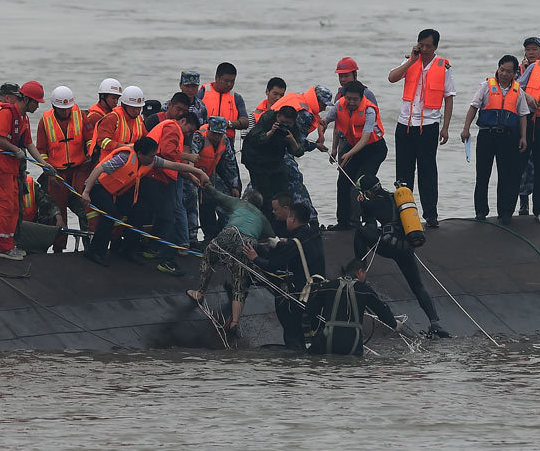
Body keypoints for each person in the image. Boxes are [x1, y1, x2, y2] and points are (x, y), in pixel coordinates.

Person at [82, 137, 208, 266]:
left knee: (140, 210)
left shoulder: (149, 160)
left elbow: (174, 165)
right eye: (151, 156)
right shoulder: (124, 157)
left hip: (116, 191)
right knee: (109, 213)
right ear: (140, 154)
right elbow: (98, 170)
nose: (153, 159)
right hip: (97, 187)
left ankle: (128, 249)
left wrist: (198, 172)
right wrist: (86, 192)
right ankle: (95, 251)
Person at [353, 174, 450, 337]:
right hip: (407, 247)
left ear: (368, 193)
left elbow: (369, 226)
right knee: (417, 286)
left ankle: (359, 271)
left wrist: (363, 206)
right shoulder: (397, 198)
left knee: (360, 232)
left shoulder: (371, 204)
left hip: (389, 246)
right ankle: (435, 322)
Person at [388, 28, 456, 228]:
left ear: (436, 47)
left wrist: (445, 128)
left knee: (427, 171)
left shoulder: (444, 66)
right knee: (403, 173)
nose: (424, 49)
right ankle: (403, 214)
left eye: (429, 46)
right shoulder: (410, 60)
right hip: (405, 125)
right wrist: (411, 60)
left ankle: (431, 215)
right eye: (421, 45)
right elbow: (392, 78)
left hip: (428, 126)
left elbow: (449, 98)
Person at [186, 185, 276, 336]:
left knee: (209, 255)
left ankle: (200, 293)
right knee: (239, 282)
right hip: (248, 243)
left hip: (230, 234)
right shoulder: (262, 218)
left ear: (246, 199)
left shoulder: (240, 203)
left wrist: (206, 184)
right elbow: (272, 240)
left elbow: (218, 195)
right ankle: (234, 322)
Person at [244, 203, 326, 350]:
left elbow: (273, 265)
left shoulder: (293, 244)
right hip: (319, 288)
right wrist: (282, 244)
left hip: (302, 293)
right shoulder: (314, 232)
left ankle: (294, 353)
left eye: (288, 217)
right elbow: (300, 247)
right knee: (313, 331)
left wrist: (255, 258)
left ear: (293, 219)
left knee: (292, 331)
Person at [460, 55, 529, 224]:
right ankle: (481, 212)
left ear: (515, 73)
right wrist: (466, 129)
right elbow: (473, 107)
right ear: (498, 69)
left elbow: (523, 116)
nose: (504, 74)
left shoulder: (518, 90)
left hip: (508, 137)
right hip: (486, 135)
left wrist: (524, 137)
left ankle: (504, 213)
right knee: (482, 175)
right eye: (502, 70)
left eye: (509, 71)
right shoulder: (486, 86)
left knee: (506, 176)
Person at [0, 81, 54, 260]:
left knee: (15, 206)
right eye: (36, 102)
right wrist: (15, 149)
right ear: (27, 100)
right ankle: (4, 248)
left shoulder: (23, 118)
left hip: (12, 170)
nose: (38, 106)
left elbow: (29, 144)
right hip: (3, 168)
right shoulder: (7, 113)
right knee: (6, 206)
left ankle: (8, 245)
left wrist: (43, 164)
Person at [142, 113, 202, 275]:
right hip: (156, 177)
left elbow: (169, 158)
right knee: (169, 218)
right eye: (189, 130)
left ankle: (153, 249)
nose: (188, 134)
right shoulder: (173, 128)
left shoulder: (172, 129)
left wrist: (191, 175)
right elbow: (167, 153)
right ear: (183, 121)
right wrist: (188, 157)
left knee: (164, 217)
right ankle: (166, 259)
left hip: (158, 177)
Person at [36, 86, 94, 252]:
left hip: (78, 171)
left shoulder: (80, 115)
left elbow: (89, 138)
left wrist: (89, 152)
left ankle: (88, 248)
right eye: (62, 110)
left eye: (68, 109)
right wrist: (48, 169)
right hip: (57, 175)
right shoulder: (45, 121)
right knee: (58, 213)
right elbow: (41, 150)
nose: (65, 112)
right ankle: (58, 249)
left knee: (85, 210)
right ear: (54, 107)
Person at [305, 258, 401, 356]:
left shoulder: (328, 286)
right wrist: (394, 324)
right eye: (364, 273)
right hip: (353, 343)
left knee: (311, 353)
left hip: (329, 340)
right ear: (360, 272)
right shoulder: (364, 289)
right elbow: (382, 309)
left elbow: (310, 310)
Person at [325, 81, 388, 230]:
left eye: (355, 99)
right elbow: (327, 122)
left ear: (361, 98)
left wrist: (348, 154)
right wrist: (332, 147)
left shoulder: (369, 110)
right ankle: (343, 222)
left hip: (374, 150)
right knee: (343, 181)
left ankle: (367, 222)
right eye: (348, 98)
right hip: (354, 149)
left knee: (363, 184)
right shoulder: (340, 104)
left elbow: (365, 139)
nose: (351, 102)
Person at [270, 85, 334, 223]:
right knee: (296, 181)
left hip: (266, 147)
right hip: (280, 150)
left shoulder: (298, 97)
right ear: (317, 100)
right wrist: (316, 146)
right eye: (323, 104)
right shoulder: (305, 114)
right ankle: (310, 221)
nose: (324, 108)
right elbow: (298, 144)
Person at [241, 105, 301, 218]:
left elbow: (298, 151)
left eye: (288, 123)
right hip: (255, 158)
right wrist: (271, 132)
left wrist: (292, 140)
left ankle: (282, 221)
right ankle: (265, 222)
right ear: (277, 117)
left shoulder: (293, 127)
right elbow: (255, 139)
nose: (285, 126)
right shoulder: (267, 118)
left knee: (283, 191)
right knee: (264, 193)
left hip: (275, 159)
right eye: (282, 122)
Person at [192, 116, 240, 241]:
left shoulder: (225, 140)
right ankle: (206, 236)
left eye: (220, 134)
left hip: (211, 174)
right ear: (209, 130)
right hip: (193, 175)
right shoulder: (198, 138)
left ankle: (225, 236)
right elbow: (190, 159)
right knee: (204, 206)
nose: (217, 137)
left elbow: (230, 163)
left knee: (226, 203)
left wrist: (234, 185)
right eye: (214, 134)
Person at [197, 62, 249, 151]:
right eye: (226, 81)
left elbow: (245, 122)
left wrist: (227, 123)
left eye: (232, 81)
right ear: (217, 78)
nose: (229, 84)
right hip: (204, 141)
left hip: (227, 144)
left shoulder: (237, 98)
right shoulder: (202, 93)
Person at [89, 85, 147, 161]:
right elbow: (102, 141)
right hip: (108, 162)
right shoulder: (113, 118)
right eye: (134, 108)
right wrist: (124, 147)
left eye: (139, 108)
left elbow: (145, 136)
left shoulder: (138, 119)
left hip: (130, 161)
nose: (137, 111)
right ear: (124, 105)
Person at [517, 37, 540, 223]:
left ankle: (536, 207)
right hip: (524, 120)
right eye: (528, 49)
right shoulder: (516, 68)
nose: (531, 52)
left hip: (537, 121)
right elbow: (513, 88)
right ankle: (522, 203)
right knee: (523, 163)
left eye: (534, 49)